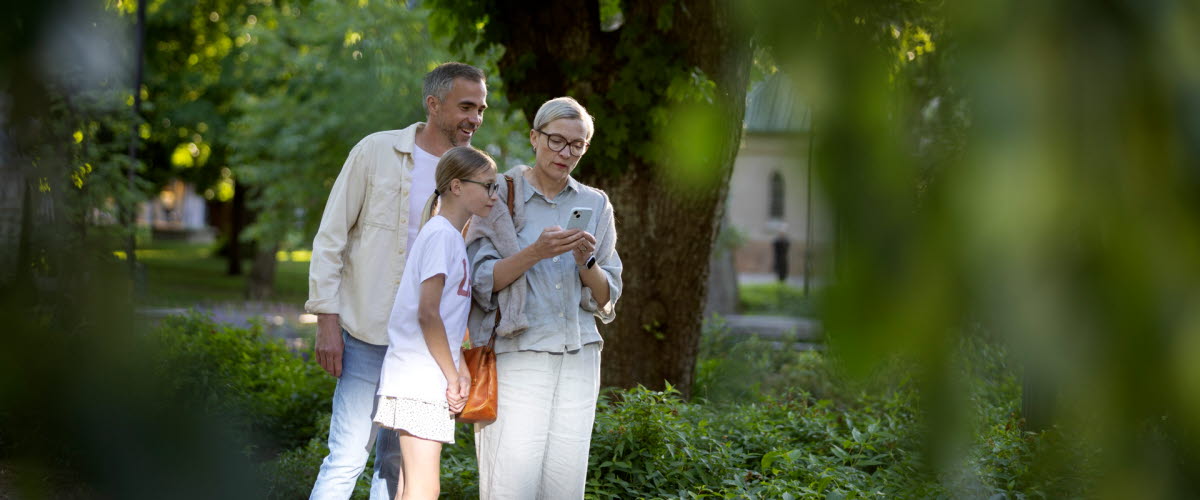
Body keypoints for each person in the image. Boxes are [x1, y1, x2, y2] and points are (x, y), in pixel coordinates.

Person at [306, 62, 487, 500]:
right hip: (366, 333)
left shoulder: (473, 173)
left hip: (419, 349)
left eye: (481, 109)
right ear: (433, 104)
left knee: (396, 467)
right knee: (347, 455)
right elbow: (331, 237)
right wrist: (327, 321)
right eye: (466, 106)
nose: (475, 119)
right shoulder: (375, 152)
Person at [465, 96, 624, 499]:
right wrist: (535, 251)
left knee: (564, 487)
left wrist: (586, 260)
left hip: (580, 356)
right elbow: (479, 281)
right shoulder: (498, 193)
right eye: (556, 140)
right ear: (534, 138)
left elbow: (608, 298)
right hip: (519, 354)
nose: (565, 153)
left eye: (577, 145)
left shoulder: (595, 203)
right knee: (510, 483)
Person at [374, 146, 499, 499]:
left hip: (423, 378)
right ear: (457, 186)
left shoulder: (449, 236)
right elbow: (427, 313)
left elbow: (443, 314)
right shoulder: (441, 235)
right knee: (424, 490)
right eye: (487, 186)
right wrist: (453, 374)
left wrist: (455, 368)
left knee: (410, 488)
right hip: (421, 378)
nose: (493, 195)